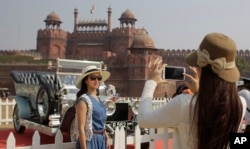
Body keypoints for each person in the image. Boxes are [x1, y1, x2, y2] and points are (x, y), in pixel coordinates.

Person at [137, 32, 247, 149]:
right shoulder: (240, 104)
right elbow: (212, 110)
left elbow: (144, 119)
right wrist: (200, 92)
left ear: (200, 68)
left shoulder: (183, 104)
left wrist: (151, 82)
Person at [75, 65, 111, 149]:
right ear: (85, 81)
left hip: (101, 140)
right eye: (93, 78)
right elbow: (81, 128)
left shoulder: (99, 100)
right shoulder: (83, 101)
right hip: (90, 141)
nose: (96, 80)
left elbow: (101, 123)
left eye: (99, 78)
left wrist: (106, 136)